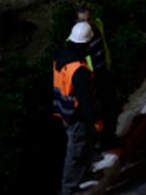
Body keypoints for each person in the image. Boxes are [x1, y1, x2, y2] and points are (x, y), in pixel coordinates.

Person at [52, 21, 103, 195]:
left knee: (84, 145)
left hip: (64, 109)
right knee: (76, 150)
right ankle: (69, 188)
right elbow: (84, 99)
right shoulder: (79, 70)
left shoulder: (62, 56)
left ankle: (85, 175)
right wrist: (95, 119)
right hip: (76, 115)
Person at [75, 5, 117, 149]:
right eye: (83, 21)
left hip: (104, 71)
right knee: (99, 112)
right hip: (92, 80)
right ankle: (102, 142)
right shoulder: (77, 38)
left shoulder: (98, 25)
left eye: (89, 19)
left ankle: (110, 138)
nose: (87, 24)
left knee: (111, 107)